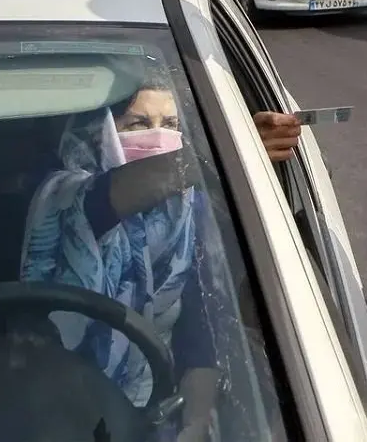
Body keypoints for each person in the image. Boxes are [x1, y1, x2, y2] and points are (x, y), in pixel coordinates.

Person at [21, 74, 303, 412]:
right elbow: (106, 198)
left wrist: (193, 424)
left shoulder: (187, 207)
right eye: (138, 124)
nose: (158, 138)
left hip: (152, 406)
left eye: (170, 124)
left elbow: (200, 326)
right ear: (99, 130)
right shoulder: (61, 194)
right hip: (51, 404)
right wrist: (227, 151)